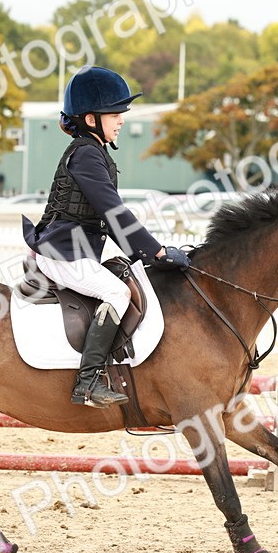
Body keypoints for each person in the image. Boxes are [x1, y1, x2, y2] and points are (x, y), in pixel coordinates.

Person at [23, 66, 190, 407]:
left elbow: (109, 218)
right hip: (63, 252)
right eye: (115, 114)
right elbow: (114, 212)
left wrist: (145, 253)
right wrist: (156, 253)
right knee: (116, 293)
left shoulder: (94, 152)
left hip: (74, 249)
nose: (122, 120)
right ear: (89, 119)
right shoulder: (86, 154)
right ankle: (87, 382)